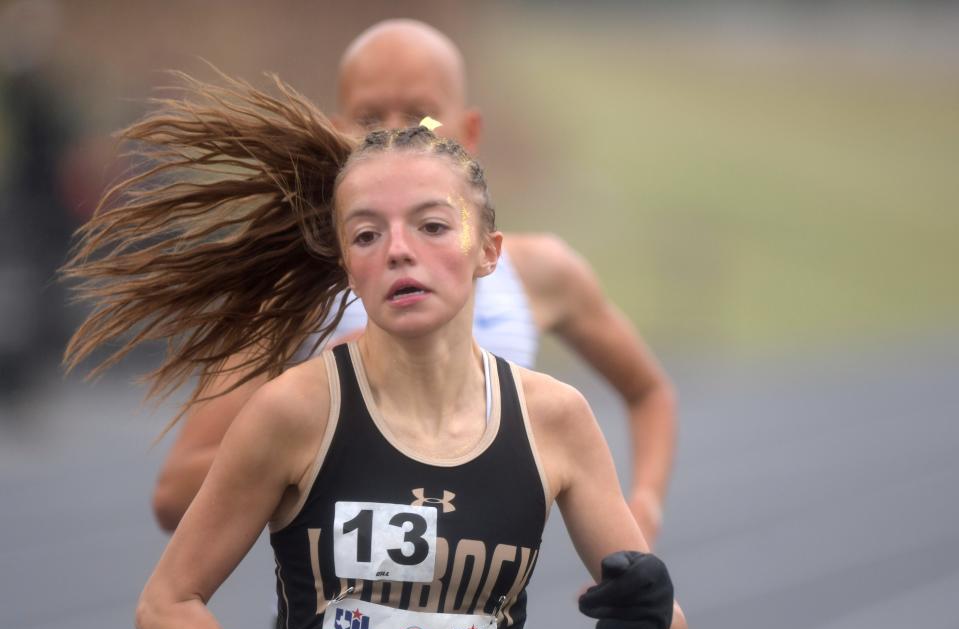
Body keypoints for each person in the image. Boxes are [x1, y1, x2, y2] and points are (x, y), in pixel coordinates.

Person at [62, 74, 687, 629]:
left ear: (487, 252)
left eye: (432, 225)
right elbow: (165, 605)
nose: (396, 249)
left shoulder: (553, 417)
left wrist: (650, 611)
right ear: (346, 266)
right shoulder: (295, 411)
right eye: (365, 235)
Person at [151, 19, 677, 551]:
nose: (395, 134)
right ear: (338, 133)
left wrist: (643, 507)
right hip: (328, 628)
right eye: (369, 119)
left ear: (469, 132)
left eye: (422, 114)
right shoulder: (295, 291)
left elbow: (649, 390)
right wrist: (315, 418)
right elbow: (175, 495)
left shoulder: (537, 272)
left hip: (483, 627)